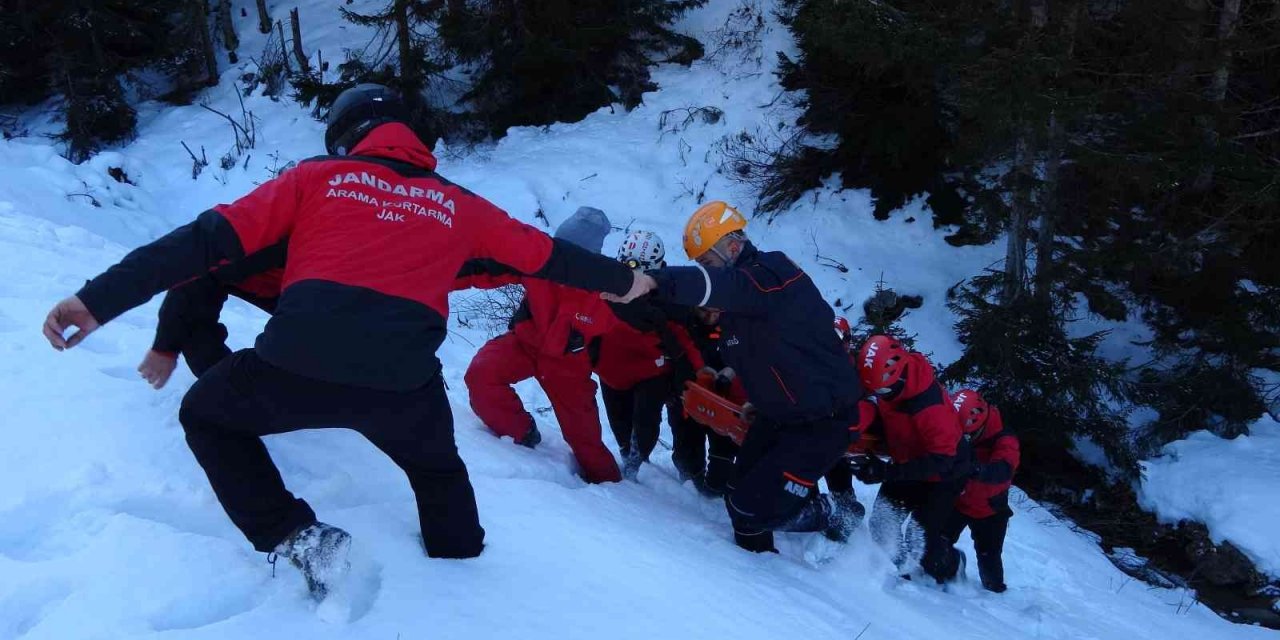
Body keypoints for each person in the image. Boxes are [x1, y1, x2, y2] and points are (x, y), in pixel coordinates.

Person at [41, 84, 647, 600]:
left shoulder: (314, 180)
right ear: (418, 138)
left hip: (295, 365)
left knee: (207, 415)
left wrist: (97, 300)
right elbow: (549, 258)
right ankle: (462, 569)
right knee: (436, 469)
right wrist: (625, 280)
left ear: (345, 137)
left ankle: (296, 538)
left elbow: (200, 245)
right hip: (401, 383)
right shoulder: (461, 207)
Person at [608, 201, 869, 552]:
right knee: (736, 499)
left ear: (733, 247)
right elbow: (760, 359)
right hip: (777, 414)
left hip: (822, 418)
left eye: (709, 263)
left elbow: (727, 287)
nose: (707, 271)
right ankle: (756, 577)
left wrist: (654, 280)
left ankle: (836, 512)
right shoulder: (738, 309)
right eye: (702, 266)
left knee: (753, 506)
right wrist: (756, 399)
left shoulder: (772, 274)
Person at [457, 207, 628, 483]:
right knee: (481, 374)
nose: (561, 259)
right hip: (526, 344)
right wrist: (442, 273)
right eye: (559, 249)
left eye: (570, 254)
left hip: (569, 365)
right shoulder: (539, 260)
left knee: (585, 441)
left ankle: (612, 491)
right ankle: (522, 433)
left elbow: (625, 338)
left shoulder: (607, 288)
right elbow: (488, 268)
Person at [848, 335, 969, 584]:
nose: (879, 394)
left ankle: (952, 566)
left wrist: (887, 473)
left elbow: (942, 460)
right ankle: (902, 571)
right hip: (908, 460)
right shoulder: (889, 385)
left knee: (921, 540)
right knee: (883, 524)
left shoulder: (931, 409)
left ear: (899, 375)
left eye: (881, 390)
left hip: (944, 474)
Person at [594, 231, 701, 479]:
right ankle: (628, 457)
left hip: (652, 372)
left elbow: (685, 339)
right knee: (620, 424)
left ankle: (636, 462)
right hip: (611, 372)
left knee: (644, 425)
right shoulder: (604, 290)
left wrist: (696, 373)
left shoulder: (668, 299)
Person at [138, 242, 286, 388]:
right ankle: (229, 386)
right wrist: (165, 346)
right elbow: (192, 282)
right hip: (256, 268)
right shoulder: (233, 242)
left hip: (297, 285)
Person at [943, 389, 1020, 593]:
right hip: (958, 502)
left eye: (967, 435)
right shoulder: (959, 426)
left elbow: (1003, 469)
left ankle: (996, 598)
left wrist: (975, 470)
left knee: (989, 561)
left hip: (990, 510)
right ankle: (950, 572)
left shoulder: (1005, 440)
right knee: (937, 543)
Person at [669, 306, 743, 496]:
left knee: (723, 453)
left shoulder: (735, 325)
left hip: (723, 402)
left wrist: (727, 374)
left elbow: (746, 359)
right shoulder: (681, 320)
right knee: (687, 451)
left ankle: (714, 489)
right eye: (705, 311)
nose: (711, 317)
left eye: (716, 312)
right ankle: (691, 488)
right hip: (686, 396)